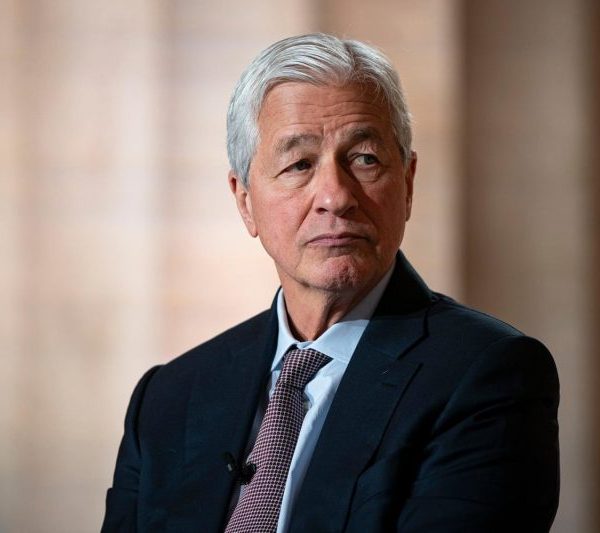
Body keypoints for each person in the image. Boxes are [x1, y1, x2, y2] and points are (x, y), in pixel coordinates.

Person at [101, 33, 559, 533]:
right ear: (245, 201)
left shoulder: (488, 375)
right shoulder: (169, 398)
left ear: (407, 183)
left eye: (364, 159)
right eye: (299, 164)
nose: (335, 197)